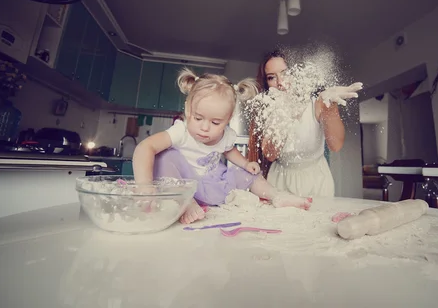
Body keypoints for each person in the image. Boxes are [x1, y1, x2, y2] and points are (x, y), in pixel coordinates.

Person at [132, 68, 312, 224]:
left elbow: (229, 150)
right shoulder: (181, 131)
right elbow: (144, 148)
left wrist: (245, 164)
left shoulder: (225, 135)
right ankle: (185, 204)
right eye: (198, 118)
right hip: (182, 186)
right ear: (188, 110)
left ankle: (276, 195)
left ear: (228, 119)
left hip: (211, 183)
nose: (204, 127)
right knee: (166, 156)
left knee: (250, 173)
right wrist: (144, 185)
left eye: (216, 122)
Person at [248, 50, 362, 198]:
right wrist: (283, 116)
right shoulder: (270, 110)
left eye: (286, 73)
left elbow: (336, 145)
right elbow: (270, 155)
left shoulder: (318, 104)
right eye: (271, 77)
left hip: (316, 179)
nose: (280, 82)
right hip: (280, 179)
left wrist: (330, 106)